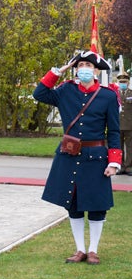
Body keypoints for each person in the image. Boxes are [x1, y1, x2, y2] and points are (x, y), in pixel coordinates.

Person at [33, 51, 121, 265]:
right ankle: (80, 249)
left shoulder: (108, 96)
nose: (84, 69)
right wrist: (58, 71)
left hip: (96, 157)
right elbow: (40, 94)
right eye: (80, 65)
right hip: (69, 155)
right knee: (73, 204)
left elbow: (114, 132)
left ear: (96, 70)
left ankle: (93, 250)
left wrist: (114, 161)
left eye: (88, 66)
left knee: (97, 205)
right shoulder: (66, 91)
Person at [117, 72, 132, 175]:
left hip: (130, 124)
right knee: (119, 146)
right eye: (121, 82)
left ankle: (129, 166)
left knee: (130, 146)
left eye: (124, 82)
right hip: (117, 124)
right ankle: (121, 166)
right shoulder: (115, 93)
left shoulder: (131, 93)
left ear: (128, 82)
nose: (123, 83)